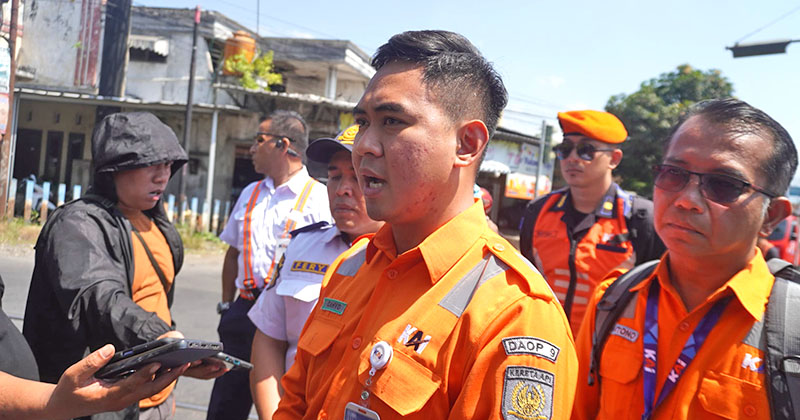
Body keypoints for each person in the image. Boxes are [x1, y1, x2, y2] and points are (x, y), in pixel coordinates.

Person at [274, 30, 577, 420]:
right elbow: (296, 402)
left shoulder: (514, 313)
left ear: (466, 144)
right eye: (363, 121)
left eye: (392, 121)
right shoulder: (352, 266)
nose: (364, 144)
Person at [571, 98, 798, 420]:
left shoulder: (792, 330)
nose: (687, 200)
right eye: (674, 173)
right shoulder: (613, 300)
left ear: (771, 216)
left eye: (724, 185)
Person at [22, 112, 225, 420]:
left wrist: (181, 358)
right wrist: (162, 339)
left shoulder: (157, 222)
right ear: (113, 169)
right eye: (151, 165)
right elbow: (99, 298)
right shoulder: (77, 224)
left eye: (168, 165)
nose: (162, 176)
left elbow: (153, 300)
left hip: (154, 397)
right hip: (95, 402)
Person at [248, 124, 384, 420]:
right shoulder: (301, 246)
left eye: (358, 177)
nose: (343, 189)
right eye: (335, 176)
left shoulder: (406, 260)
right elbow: (269, 338)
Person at [209, 110, 332, 420]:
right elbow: (233, 252)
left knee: (285, 402)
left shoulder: (320, 199)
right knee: (225, 404)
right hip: (244, 309)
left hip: (291, 317)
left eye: (258, 140)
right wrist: (227, 305)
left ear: (282, 145)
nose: (252, 149)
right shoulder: (251, 193)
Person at [519, 110, 665, 334]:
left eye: (587, 150)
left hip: (606, 352)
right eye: (565, 150)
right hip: (545, 344)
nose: (573, 159)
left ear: (614, 159)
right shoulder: (538, 211)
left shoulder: (641, 218)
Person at [2, 272, 187, 419]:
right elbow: (95, 291)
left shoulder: (148, 226)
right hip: (56, 400)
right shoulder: (77, 225)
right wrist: (53, 402)